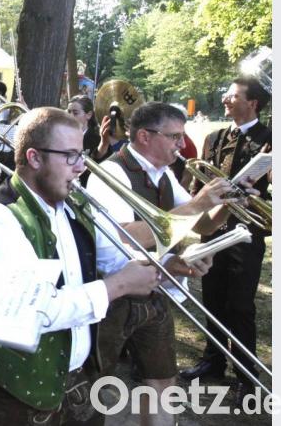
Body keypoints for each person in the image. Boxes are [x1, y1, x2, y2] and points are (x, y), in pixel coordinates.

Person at [0, 107, 161, 425]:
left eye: (82, 155)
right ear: (34, 158)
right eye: (70, 156)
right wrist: (120, 284)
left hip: (78, 380)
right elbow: (37, 309)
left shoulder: (75, 205)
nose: (81, 167)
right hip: (13, 394)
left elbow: (114, 259)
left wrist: (166, 265)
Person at [84, 101, 238, 425]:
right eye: (174, 136)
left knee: (162, 382)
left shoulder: (164, 173)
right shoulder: (111, 173)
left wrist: (226, 204)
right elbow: (123, 236)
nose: (182, 144)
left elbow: (203, 224)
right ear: (144, 136)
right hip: (114, 297)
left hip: (155, 292)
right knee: (92, 385)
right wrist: (197, 204)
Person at [179, 76, 272, 407]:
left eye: (232, 96)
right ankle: (213, 361)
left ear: (253, 103)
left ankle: (247, 376)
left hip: (247, 233)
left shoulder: (272, 139)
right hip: (213, 229)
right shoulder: (214, 138)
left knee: (240, 306)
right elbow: (199, 184)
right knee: (213, 299)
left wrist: (259, 195)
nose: (225, 100)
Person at [66, 94, 100, 186]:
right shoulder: (62, 135)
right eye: (68, 112)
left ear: (88, 115)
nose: (70, 116)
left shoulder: (97, 139)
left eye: (75, 113)